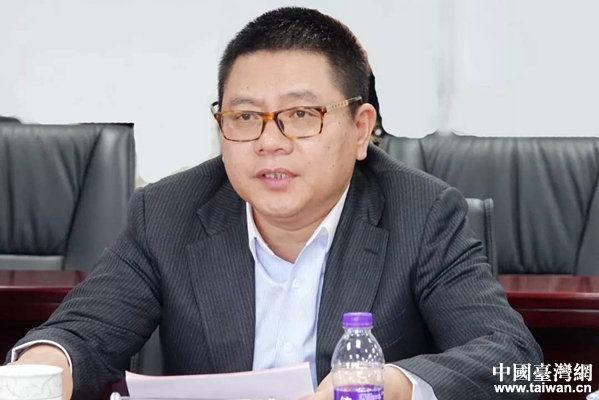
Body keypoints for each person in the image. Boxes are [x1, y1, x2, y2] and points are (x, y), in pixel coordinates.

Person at [7, 7, 542, 400]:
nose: (269, 142)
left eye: (301, 115)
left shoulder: (421, 213)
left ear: (361, 130)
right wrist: (40, 371)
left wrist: (398, 385)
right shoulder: (166, 213)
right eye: (244, 117)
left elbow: (514, 362)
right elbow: (80, 336)